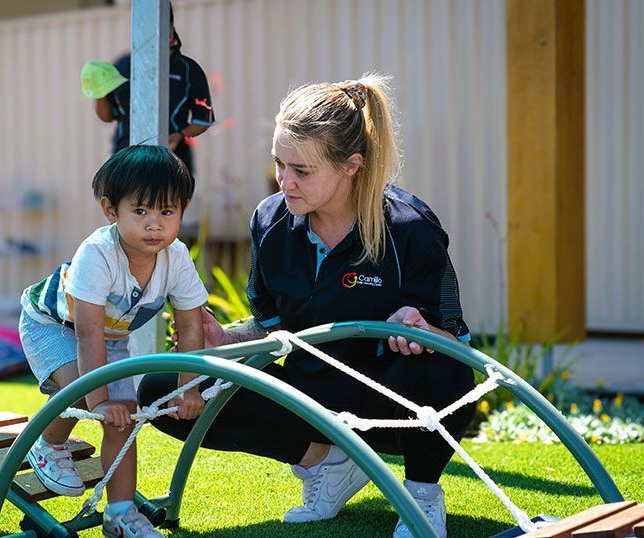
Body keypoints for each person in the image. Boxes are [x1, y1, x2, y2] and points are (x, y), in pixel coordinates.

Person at [137, 74, 475, 538]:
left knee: (444, 370)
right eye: (279, 164)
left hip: (386, 403)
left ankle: (420, 496)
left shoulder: (409, 227)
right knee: (161, 391)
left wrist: (418, 329)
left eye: (302, 171)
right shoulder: (270, 221)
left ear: (352, 165)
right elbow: (274, 328)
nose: (285, 182)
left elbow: (455, 345)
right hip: (309, 395)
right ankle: (326, 462)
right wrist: (225, 340)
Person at [18, 145, 208, 538]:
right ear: (111, 210)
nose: (154, 225)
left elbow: (191, 328)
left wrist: (188, 389)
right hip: (52, 324)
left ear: (182, 211)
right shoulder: (98, 254)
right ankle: (48, 444)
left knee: (125, 415)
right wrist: (98, 399)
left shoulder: (177, 258)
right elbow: (86, 332)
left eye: (167, 212)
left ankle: (120, 514)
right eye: (140, 212)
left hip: (109, 336)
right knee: (79, 388)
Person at [85, 4, 215, 177]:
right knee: (127, 203)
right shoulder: (123, 66)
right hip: (126, 159)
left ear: (171, 29)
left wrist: (179, 135)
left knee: (167, 203)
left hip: (172, 160)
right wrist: (97, 91)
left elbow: (203, 120)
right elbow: (107, 116)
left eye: (162, 28)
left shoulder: (188, 69)